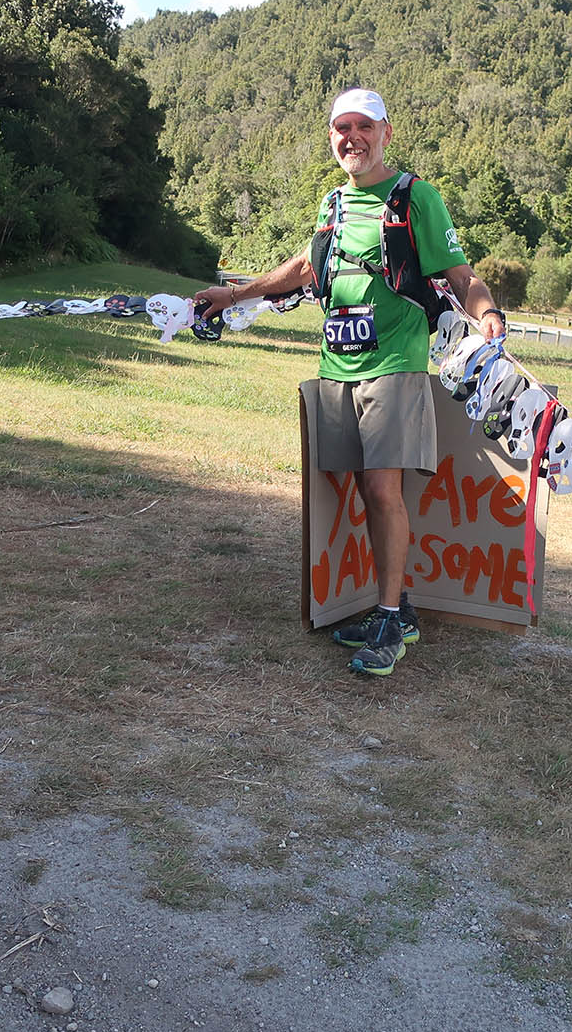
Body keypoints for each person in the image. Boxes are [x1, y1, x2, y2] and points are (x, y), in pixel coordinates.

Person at [194, 87, 507, 677]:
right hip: (336, 365)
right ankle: (400, 608)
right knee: (366, 490)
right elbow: (305, 267)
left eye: (365, 126)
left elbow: (461, 276)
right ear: (332, 137)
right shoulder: (333, 202)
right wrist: (234, 295)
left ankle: (387, 618)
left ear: (386, 133)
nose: (353, 137)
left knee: (383, 489)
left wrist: (486, 313)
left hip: (394, 366)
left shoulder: (416, 197)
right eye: (343, 128)